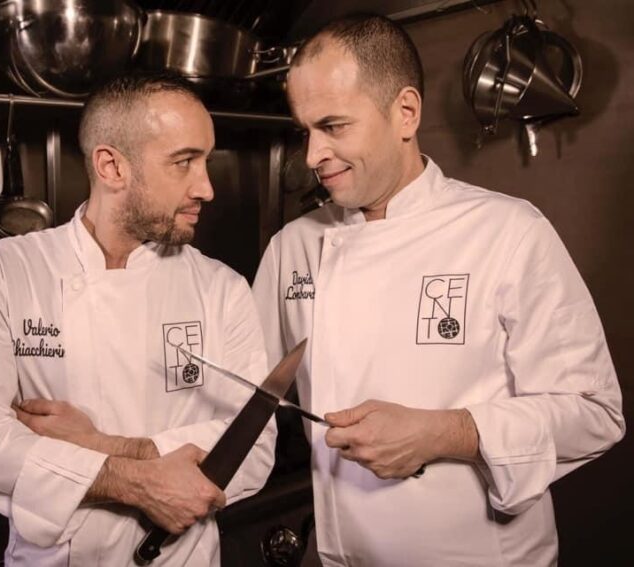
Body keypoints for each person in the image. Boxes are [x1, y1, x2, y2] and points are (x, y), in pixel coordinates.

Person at [252, 14, 624, 566]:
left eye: (334, 126)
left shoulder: (507, 231)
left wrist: (448, 433)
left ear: (405, 112)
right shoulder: (293, 248)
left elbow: (595, 413)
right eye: (304, 131)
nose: (311, 155)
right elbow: (247, 399)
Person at [0, 73, 276, 566]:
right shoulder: (6, 272)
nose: (206, 188)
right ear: (112, 166)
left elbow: (254, 446)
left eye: (206, 161)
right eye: (184, 162)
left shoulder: (221, 288)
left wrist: (99, 445)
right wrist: (134, 481)